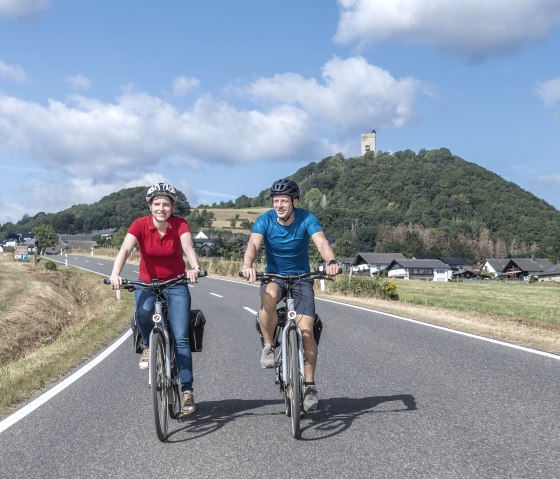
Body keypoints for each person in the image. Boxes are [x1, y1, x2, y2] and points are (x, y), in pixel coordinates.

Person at [241, 178, 340, 412]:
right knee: (267, 298)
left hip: (301, 278)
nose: (279, 205)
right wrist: (247, 264)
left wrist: (331, 261)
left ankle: (309, 386)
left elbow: (321, 242)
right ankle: (268, 346)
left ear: (295, 201)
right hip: (274, 276)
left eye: (284, 201)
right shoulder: (265, 220)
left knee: (307, 332)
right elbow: (254, 244)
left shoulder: (307, 218)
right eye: (276, 201)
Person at [109, 183, 201, 414]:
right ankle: (149, 346)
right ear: (150, 206)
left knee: (181, 338)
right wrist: (115, 274)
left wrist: (195, 267)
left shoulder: (180, 224)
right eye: (157, 204)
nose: (162, 208)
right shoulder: (140, 224)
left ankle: (187, 391)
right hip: (147, 283)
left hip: (176, 283)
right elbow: (126, 250)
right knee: (143, 311)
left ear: (172, 207)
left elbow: (187, 246)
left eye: (166, 204)